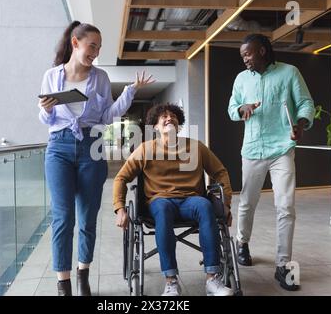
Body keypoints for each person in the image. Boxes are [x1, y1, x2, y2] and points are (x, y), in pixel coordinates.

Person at [38, 21, 154, 296]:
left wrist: (130, 92)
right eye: (92, 46)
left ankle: (83, 274)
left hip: (93, 145)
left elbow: (107, 118)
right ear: (75, 43)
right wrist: (45, 108)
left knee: (88, 218)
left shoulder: (100, 77)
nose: (96, 52)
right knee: (63, 218)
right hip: (59, 147)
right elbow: (46, 120)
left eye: (99, 48)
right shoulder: (52, 76)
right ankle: (63, 284)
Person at [113, 103, 234, 296]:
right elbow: (121, 178)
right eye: (164, 117)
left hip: (191, 200)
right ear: (156, 126)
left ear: (179, 124)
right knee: (162, 209)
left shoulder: (196, 147)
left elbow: (220, 172)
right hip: (160, 201)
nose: (169, 119)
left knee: (205, 206)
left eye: (173, 117)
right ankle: (171, 282)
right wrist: (120, 208)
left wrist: (226, 203)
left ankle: (212, 279)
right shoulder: (145, 149)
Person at [228, 34, 315, 291]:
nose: (245, 59)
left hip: (282, 149)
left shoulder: (290, 73)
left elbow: (305, 103)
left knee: (286, 206)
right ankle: (242, 243)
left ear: (263, 51)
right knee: (247, 203)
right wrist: (241, 108)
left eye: (249, 54)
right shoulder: (242, 79)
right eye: (243, 55)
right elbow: (232, 107)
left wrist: (300, 124)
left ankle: (282, 264)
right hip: (253, 149)